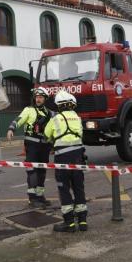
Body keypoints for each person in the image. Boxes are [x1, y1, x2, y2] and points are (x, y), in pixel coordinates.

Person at [45, 90, 87, 233]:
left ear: (58, 105)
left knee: (64, 189)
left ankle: (69, 223)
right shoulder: (77, 118)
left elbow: (46, 135)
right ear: (72, 104)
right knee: (78, 187)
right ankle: (82, 221)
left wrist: (53, 141)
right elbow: (80, 135)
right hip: (78, 157)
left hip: (62, 158)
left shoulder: (55, 119)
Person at [7, 87, 53, 209]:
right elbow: (18, 120)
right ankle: (32, 198)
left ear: (45, 99)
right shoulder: (29, 110)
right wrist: (11, 129)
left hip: (45, 146)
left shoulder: (49, 113)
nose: (38, 99)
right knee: (32, 170)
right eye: (37, 97)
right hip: (32, 145)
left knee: (42, 171)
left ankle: (40, 196)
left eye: (41, 97)